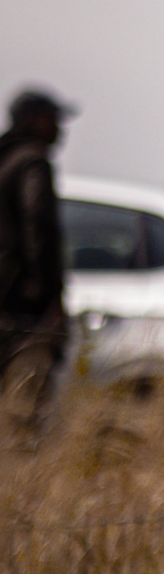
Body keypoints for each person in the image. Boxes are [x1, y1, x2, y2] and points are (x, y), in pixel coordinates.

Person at [0, 86, 76, 446]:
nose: (61, 129)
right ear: (33, 121)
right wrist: (47, 295)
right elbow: (39, 228)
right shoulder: (32, 163)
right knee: (27, 408)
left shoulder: (5, 158)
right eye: (53, 119)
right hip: (25, 310)